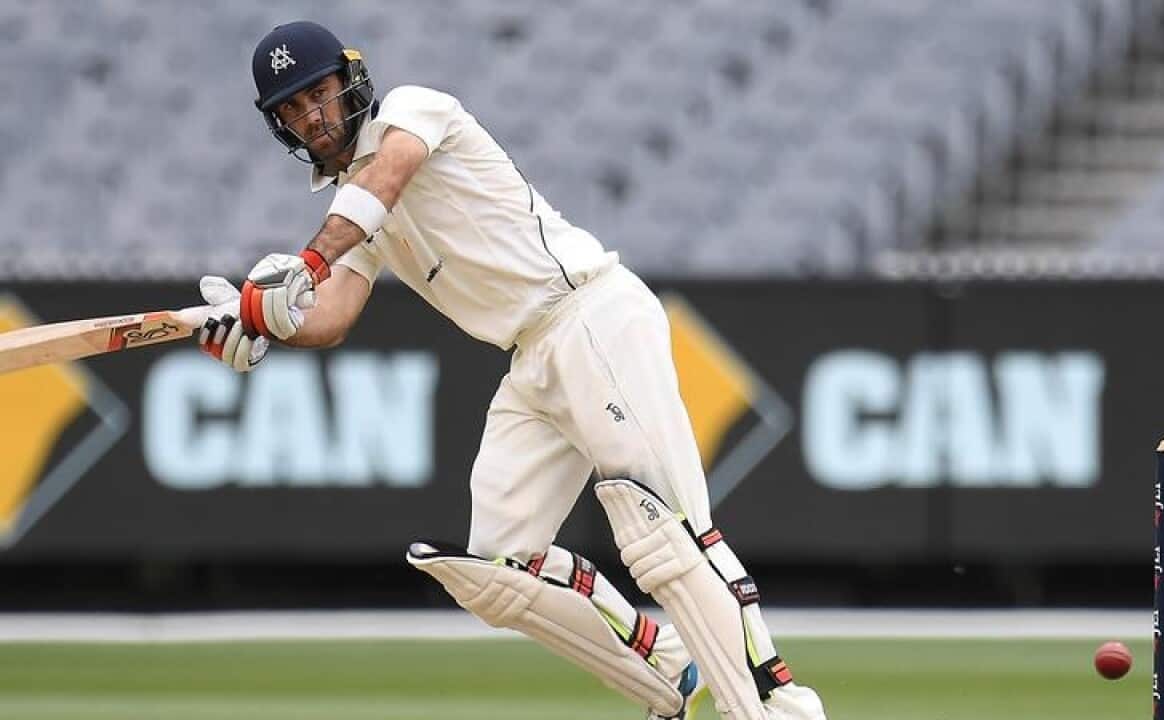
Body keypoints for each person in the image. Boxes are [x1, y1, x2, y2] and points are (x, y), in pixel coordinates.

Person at [196, 20, 826, 720]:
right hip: (532, 359)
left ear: (350, 80)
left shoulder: (412, 110)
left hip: (590, 315)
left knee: (662, 532)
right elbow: (333, 314)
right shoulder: (357, 212)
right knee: (498, 566)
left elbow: (388, 176)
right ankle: (664, 664)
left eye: (318, 93)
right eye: (292, 107)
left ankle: (778, 705)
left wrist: (304, 265)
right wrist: (262, 321)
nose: (312, 115)